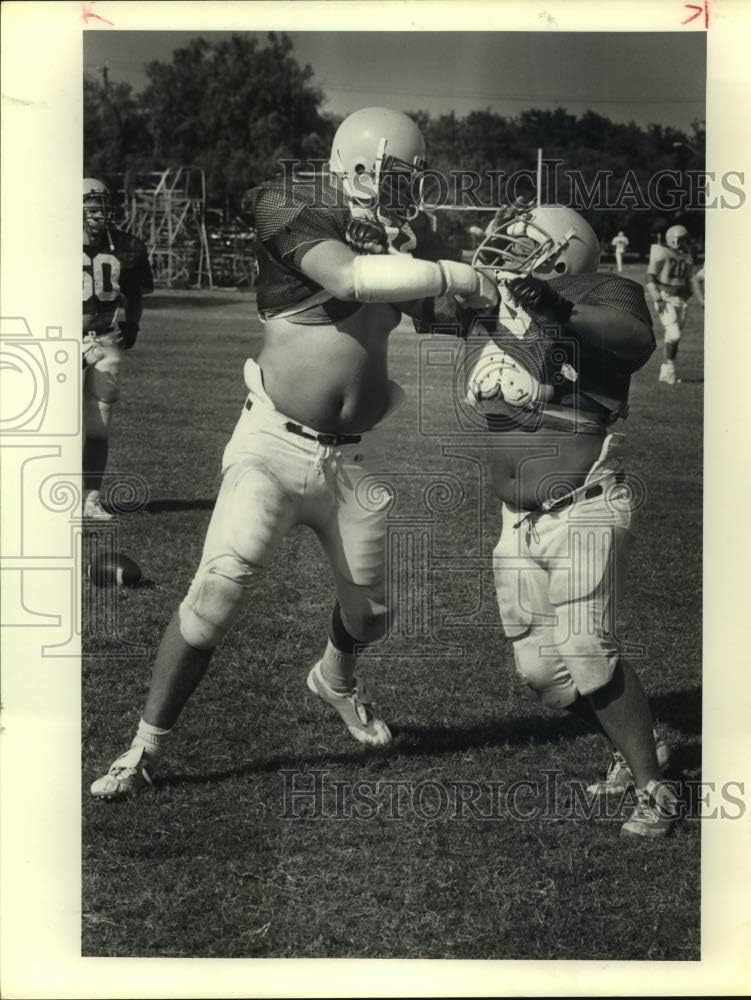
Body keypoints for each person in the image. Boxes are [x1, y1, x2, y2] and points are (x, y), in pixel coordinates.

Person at [90, 107, 498, 799]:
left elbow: (448, 313)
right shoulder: (290, 203)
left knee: (372, 615)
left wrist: (501, 308)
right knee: (217, 593)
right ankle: (144, 748)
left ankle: (335, 678)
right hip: (272, 445)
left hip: (352, 460)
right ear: (357, 166)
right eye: (398, 176)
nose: (407, 191)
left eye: (414, 179)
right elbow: (351, 279)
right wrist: (456, 274)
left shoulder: (409, 235)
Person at [464, 203, 676, 838]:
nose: (506, 251)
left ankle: (655, 790)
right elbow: (426, 295)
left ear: (563, 253)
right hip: (517, 519)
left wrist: (557, 307)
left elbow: (635, 340)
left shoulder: (606, 290)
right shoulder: (499, 305)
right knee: (544, 675)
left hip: (584, 503)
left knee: (586, 647)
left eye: (522, 243)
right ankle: (638, 744)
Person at [82, 178, 154, 520]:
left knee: (99, 426)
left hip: (105, 338)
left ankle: (90, 498)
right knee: (56, 424)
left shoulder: (125, 246)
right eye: (91, 205)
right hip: (60, 339)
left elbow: (135, 294)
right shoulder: (51, 242)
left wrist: (133, 323)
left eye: (102, 205)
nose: (99, 213)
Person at [647, 224, 702, 384]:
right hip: (665, 298)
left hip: (679, 300)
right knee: (674, 335)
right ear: (674, 240)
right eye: (683, 240)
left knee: (673, 338)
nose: (686, 243)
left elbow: (690, 280)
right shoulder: (662, 252)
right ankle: (668, 370)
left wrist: (695, 298)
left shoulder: (686, 256)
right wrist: (657, 297)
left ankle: (668, 371)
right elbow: (650, 277)